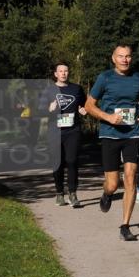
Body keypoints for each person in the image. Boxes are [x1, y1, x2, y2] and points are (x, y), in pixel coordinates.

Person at [85, 44, 139, 242]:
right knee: (113, 183)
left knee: (130, 177)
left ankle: (125, 226)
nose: (125, 60)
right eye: (120, 56)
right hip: (110, 134)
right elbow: (89, 105)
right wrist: (108, 117)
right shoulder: (105, 78)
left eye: (128, 56)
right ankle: (106, 194)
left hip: (132, 133)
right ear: (113, 58)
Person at [43, 63, 87, 208]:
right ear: (55, 74)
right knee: (58, 163)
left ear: (69, 73)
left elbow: (85, 105)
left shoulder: (77, 89)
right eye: (60, 71)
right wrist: (49, 109)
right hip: (54, 131)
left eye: (66, 71)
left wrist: (84, 110)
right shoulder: (48, 90)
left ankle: (73, 194)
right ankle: (59, 193)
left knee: (72, 160)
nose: (63, 73)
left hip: (72, 131)